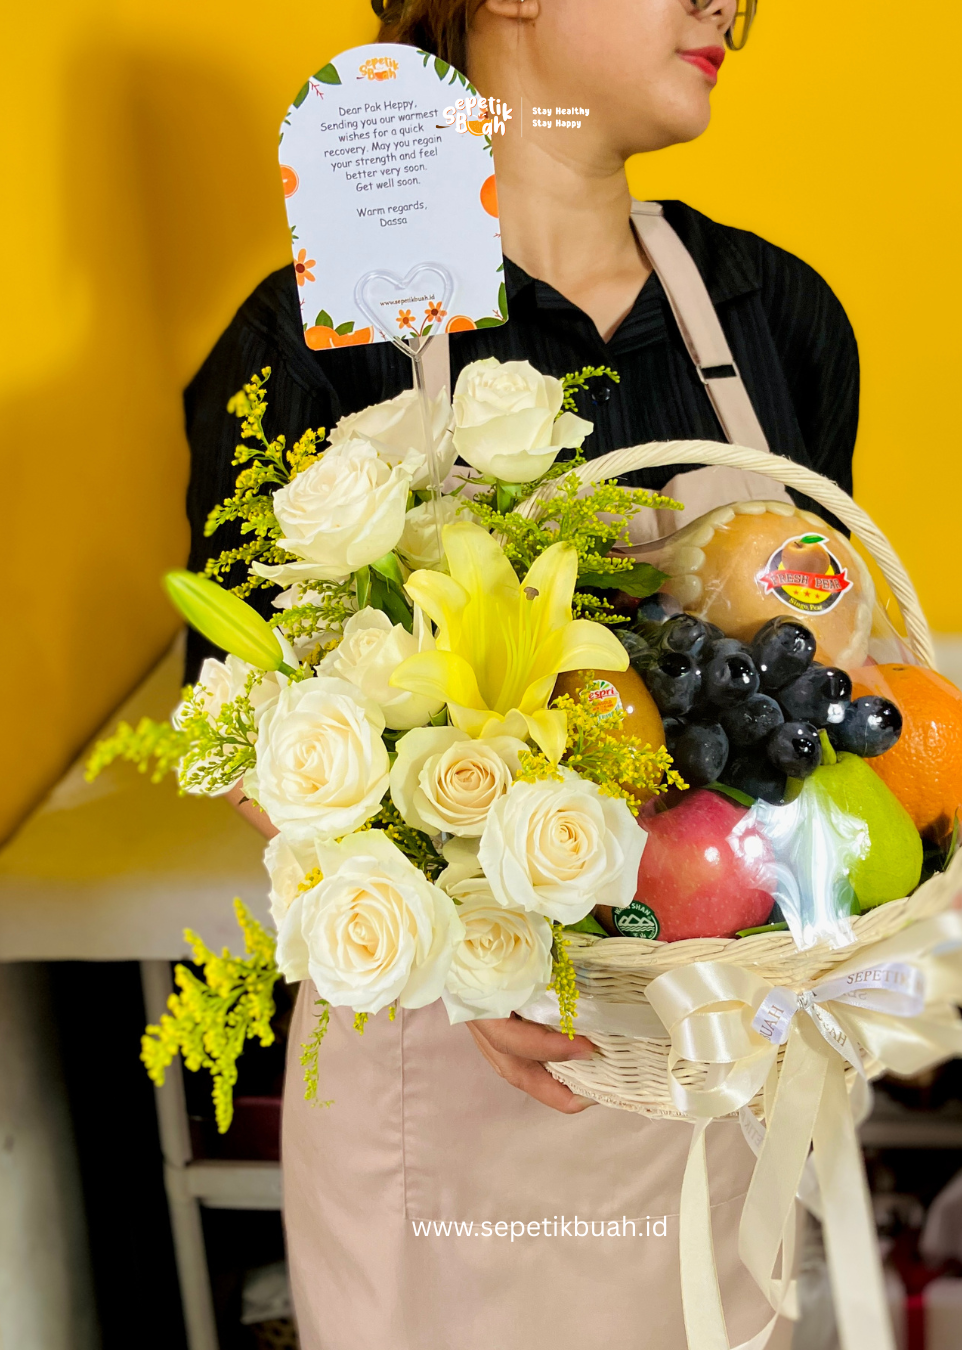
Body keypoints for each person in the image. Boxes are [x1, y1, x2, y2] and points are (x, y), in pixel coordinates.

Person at [183, 1, 859, 1345]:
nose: (726, 7)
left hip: (717, 1060)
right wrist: (465, 932)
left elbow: (828, 651)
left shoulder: (777, 314)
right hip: (444, 1088)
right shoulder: (322, 330)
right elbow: (238, 721)